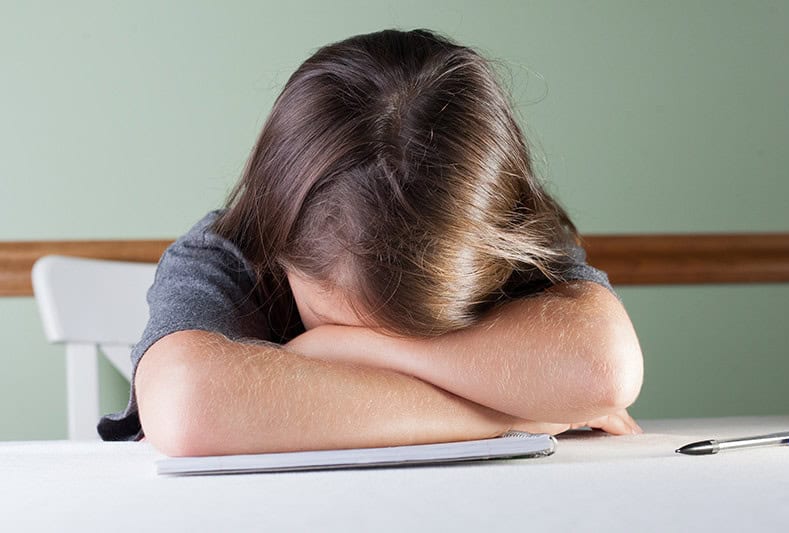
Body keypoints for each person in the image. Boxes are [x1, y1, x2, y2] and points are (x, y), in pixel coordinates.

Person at [98, 28, 643, 457]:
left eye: (412, 331)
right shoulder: (232, 249)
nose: (367, 344)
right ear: (279, 243)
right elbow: (188, 408)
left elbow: (606, 367)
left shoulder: (501, 232)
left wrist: (338, 349)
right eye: (339, 325)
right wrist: (515, 415)